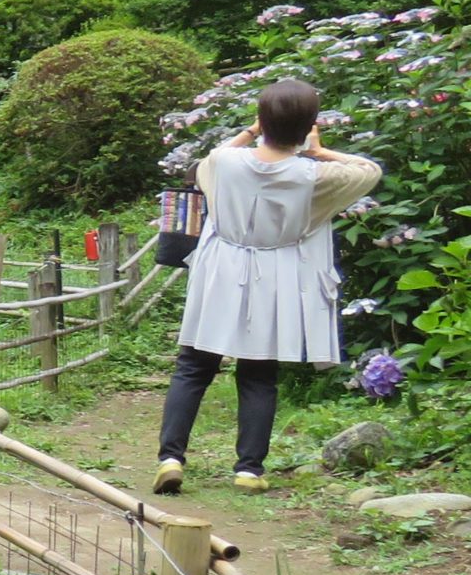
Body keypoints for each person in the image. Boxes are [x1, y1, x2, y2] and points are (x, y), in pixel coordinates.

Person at [154, 79, 379, 495]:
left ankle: (171, 458)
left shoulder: (225, 163)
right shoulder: (314, 175)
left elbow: (210, 159)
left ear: (263, 119)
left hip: (221, 266)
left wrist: (251, 131)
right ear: (309, 124)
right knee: (258, 373)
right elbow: (368, 170)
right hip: (274, 273)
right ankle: (249, 469)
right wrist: (318, 149)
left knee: (193, 365)